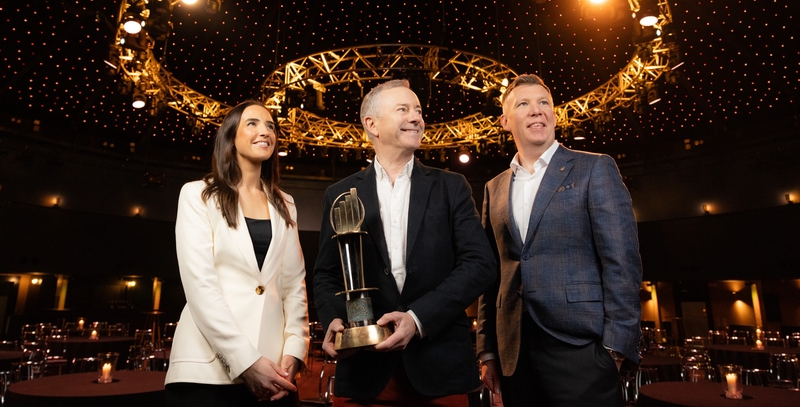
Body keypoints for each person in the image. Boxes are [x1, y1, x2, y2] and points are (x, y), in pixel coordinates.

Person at [313, 79, 496, 406]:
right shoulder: (339, 194)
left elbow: (480, 265)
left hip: (442, 370)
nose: (417, 118)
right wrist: (335, 319)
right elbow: (326, 274)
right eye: (403, 109)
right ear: (372, 124)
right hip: (364, 371)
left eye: (419, 111)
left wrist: (417, 319)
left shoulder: (451, 186)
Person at [476, 74, 642, 406]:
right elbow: (491, 274)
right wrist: (487, 349)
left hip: (583, 350)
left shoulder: (594, 168)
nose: (537, 111)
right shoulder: (493, 188)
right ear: (505, 121)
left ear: (553, 115)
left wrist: (615, 348)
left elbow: (622, 263)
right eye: (524, 104)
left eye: (544, 104)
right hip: (513, 354)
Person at [165, 100, 309, 406]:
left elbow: (294, 286)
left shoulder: (286, 204)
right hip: (206, 371)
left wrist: (294, 353)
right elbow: (200, 286)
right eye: (253, 123)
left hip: (275, 373)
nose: (265, 131)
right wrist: (245, 361)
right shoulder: (197, 194)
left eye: (271, 126)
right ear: (231, 136)